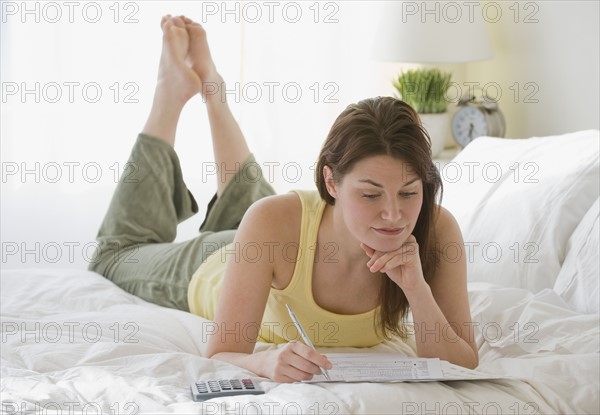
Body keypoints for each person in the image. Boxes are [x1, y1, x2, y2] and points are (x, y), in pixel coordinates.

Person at [90, 15, 478, 383]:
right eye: (370, 194)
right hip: (220, 264)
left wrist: (417, 290)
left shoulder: (437, 230)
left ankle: (213, 88)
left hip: (276, 243)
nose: (393, 213)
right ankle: (170, 93)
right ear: (331, 181)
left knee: (251, 204)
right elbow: (222, 353)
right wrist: (263, 361)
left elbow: (463, 363)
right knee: (114, 254)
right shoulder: (273, 221)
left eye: (409, 192)